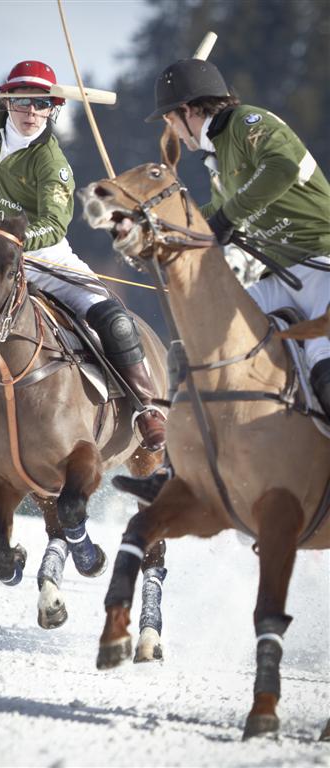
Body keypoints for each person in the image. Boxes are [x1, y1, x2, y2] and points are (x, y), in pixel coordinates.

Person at [114, 57, 330, 502]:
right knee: (201, 348)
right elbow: (214, 229)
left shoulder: (250, 123)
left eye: (172, 118)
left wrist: (229, 216)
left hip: (323, 263)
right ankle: (175, 468)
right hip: (280, 276)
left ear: (191, 110)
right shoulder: (216, 159)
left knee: (325, 368)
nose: (172, 128)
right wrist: (157, 248)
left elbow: (281, 169)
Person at [0, 58, 166, 478]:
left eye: (43, 104)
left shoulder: (51, 162)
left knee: (113, 320)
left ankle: (146, 410)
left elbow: (54, 223)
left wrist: (11, 239)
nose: (32, 113)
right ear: (5, 100)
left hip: (47, 258)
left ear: (52, 110)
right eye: (24, 101)